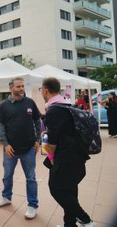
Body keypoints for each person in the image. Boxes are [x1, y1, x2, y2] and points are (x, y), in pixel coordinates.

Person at [40, 77, 94, 227]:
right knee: (69, 189)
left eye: (41, 90)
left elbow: (53, 139)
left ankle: (85, 219)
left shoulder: (54, 110)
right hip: (76, 154)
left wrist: (50, 156)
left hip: (65, 157)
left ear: (45, 90)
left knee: (56, 188)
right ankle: (69, 224)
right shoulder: (68, 105)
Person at [0, 77, 41, 219]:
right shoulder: (3, 105)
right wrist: (5, 144)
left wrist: (38, 139)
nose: (21, 89)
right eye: (18, 86)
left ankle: (32, 205)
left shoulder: (30, 103)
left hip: (28, 148)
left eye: (22, 86)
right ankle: (6, 197)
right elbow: (0, 126)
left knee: (31, 178)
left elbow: (37, 120)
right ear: (11, 88)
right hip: (10, 149)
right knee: (7, 175)